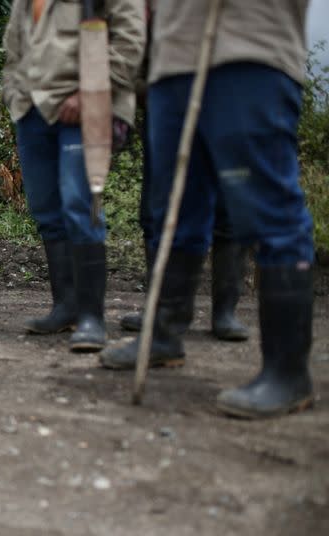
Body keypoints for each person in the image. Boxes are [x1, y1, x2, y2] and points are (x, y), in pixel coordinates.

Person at [100, 0, 315, 419]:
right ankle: (163, 336)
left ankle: (287, 372)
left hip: (248, 47)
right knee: (172, 210)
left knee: (267, 210)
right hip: (171, 60)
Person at [1, 0, 145, 351]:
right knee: (46, 209)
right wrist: (13, 93)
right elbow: (14, 49)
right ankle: (65, 307)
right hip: (31, 109)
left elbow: (130, 39)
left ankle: (91, 317)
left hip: (86, 105)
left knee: (80, 202)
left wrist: (90, 90)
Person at [119, 0, 249, 342]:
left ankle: (225, 312)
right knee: (155, 208)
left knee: (226, 205)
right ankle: (161, 308)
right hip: (164, 91)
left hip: (226, 83)